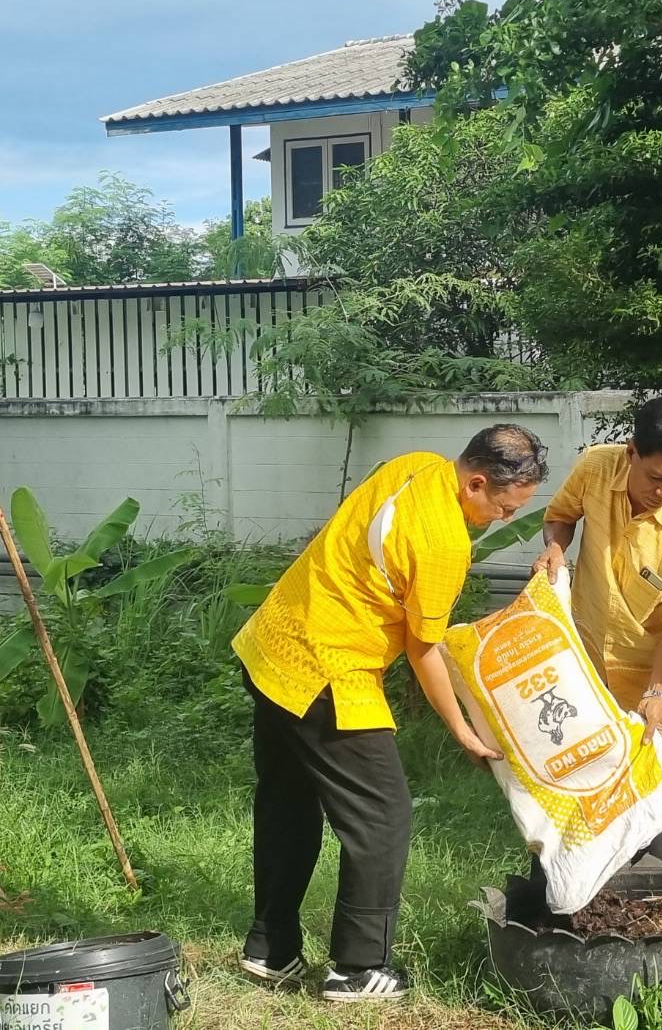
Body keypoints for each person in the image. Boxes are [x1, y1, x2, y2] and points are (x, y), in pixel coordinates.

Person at [234, 425, 548, 1002]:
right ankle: (356, 969)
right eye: (503, 507)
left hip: (273, 643)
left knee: (288, 800)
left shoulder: (416, 464)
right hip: (328, 671)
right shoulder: (444, 542)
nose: (504, 520)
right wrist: (464, 729)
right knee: (384, 817)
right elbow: (423, 647)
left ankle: (269, 949)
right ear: (476, 482)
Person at [531, 394, 662, 862]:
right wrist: (556, 548)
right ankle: (562, 900)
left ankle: (652, 911)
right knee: (578, 794)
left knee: (653, 807)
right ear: (631, 452)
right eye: (658, 478)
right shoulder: (596, 466)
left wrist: (656, 694)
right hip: (584, 670)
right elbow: (560, 515)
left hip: (653, 680)